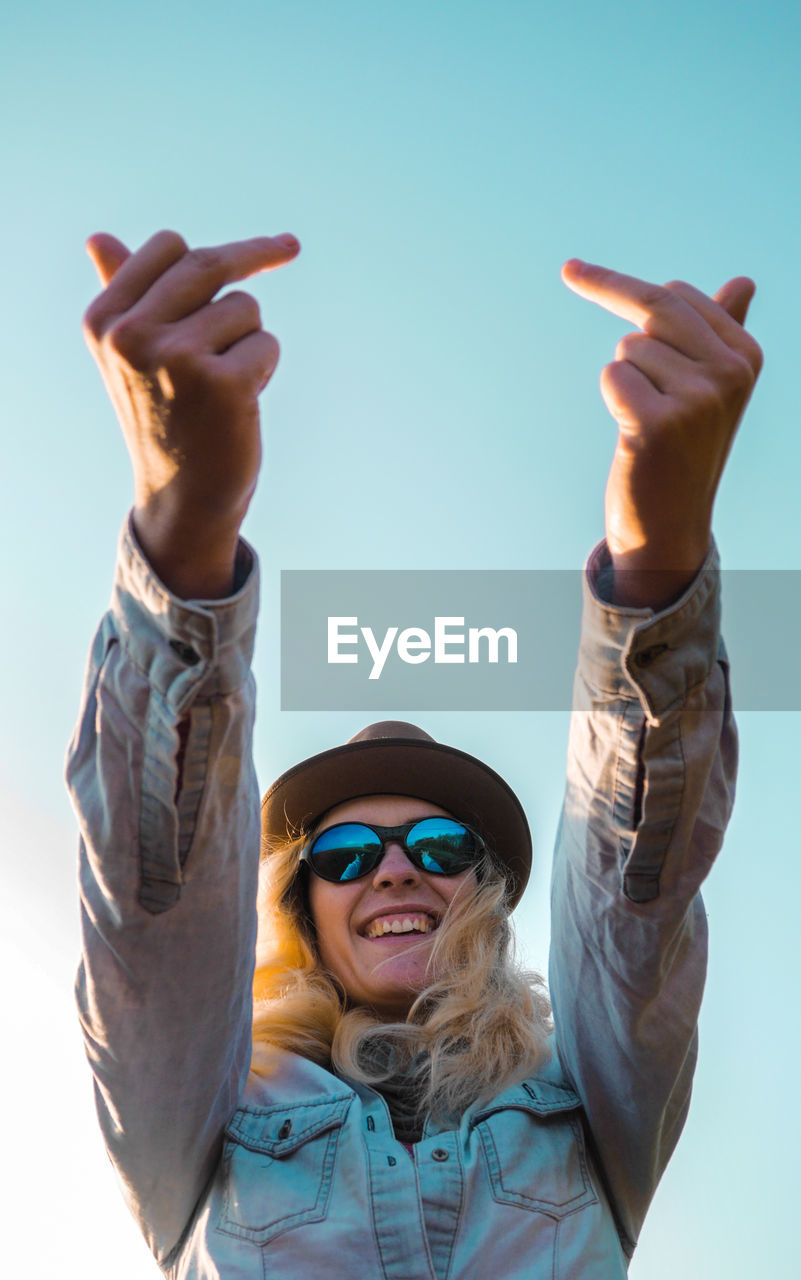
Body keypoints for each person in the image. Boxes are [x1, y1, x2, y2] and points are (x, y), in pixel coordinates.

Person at [67, 229, 762, 1278]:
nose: (395, 867)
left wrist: (657, 561)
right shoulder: (205, 1120)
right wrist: (186, 530)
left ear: (481, 888)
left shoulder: (591, 1104)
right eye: (344, 857)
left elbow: (638, 896)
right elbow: (149, 903)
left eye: (438, 844)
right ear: (302, 904)